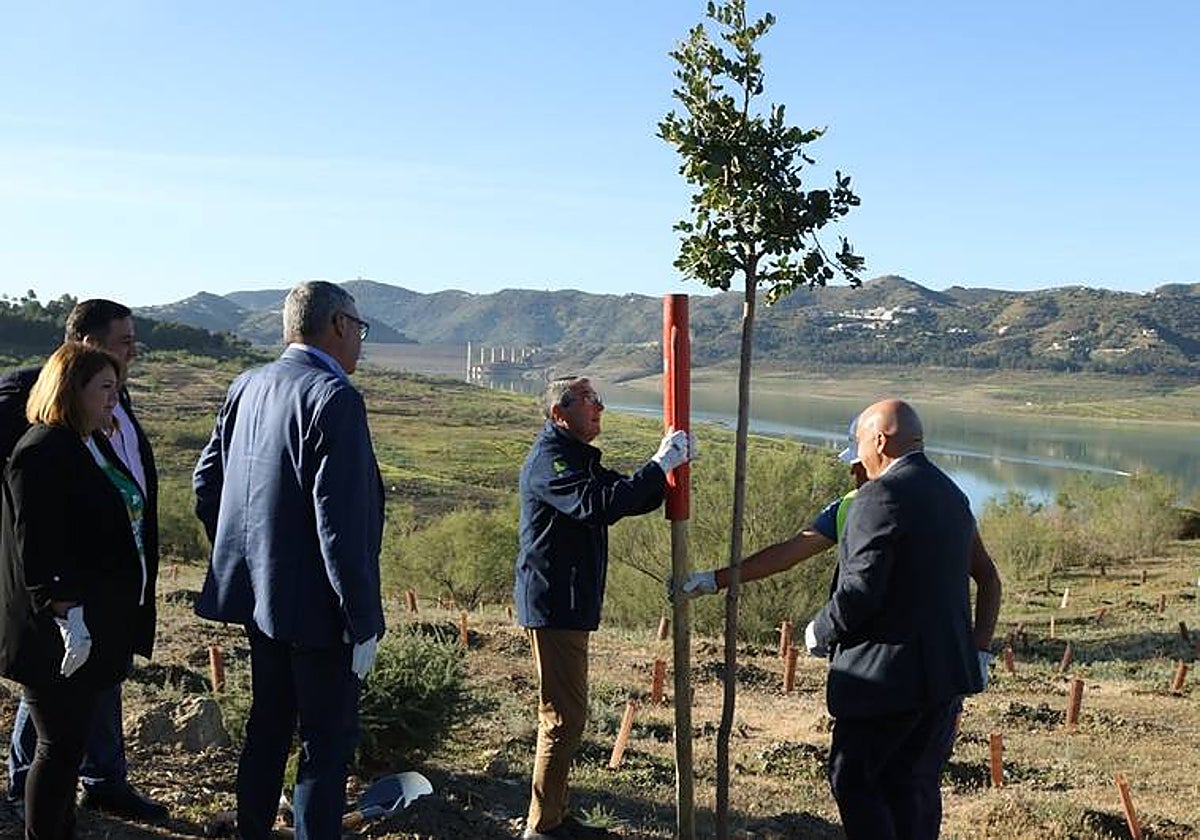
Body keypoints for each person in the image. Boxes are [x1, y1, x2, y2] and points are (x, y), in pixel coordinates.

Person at [193, 280, 384, 840]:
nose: (360, 343)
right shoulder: (334, 396)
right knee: (326, 745)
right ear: (340, 326)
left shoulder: (246, 384)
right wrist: (363, 620)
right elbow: (341, 524)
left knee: (267, 728)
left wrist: (251, 555)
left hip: (260, 599)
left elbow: (208, 484)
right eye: (360, 330)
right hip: (321, 611)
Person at [804, 399, 1002, 840]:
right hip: (944, 681)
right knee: (913, 787)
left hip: (885, 682)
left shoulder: (879, 495)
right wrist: (979, 649)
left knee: (855, 780)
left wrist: (820, 629)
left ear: (879, 440)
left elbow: (860, 589)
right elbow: (988, 578)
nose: (859, 459)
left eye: (860, 445)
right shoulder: (952, 494)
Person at [0, 299, 167, 821]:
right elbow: (37, 521)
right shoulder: (40, 430)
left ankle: (98, 782)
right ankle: (31, 795)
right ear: (84, 352)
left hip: (100, 598)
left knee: (73, 719)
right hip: (58, 602)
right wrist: (61, 602)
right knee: (56, 730)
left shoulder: (103, 410)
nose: (132, 352)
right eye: (124, 341)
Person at [514, 376, 693, 840]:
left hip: (569, 603)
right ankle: (543, 826)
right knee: (562, 716)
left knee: (568, 714)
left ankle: (554, 815)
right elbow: (597, 504)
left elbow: (628, 496)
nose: (600, 407)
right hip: (554, 605)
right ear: (559, 413)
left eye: (599, 399)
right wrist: (658, 465)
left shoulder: (576, 458)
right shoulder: (550, 461)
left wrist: (664, 472)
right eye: (589, 400)